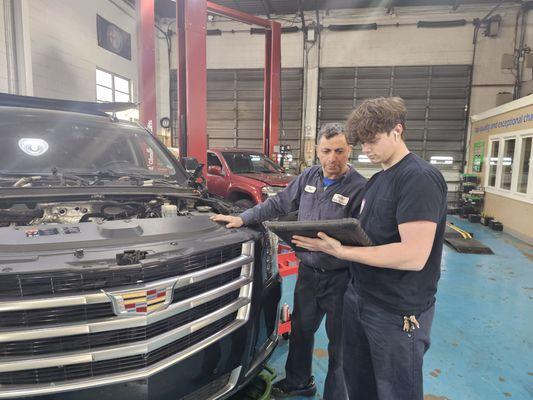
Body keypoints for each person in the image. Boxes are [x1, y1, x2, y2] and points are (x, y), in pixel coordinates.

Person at [292, 97, 447, 400]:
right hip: (360, 299)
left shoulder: (418, 178)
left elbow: (414, 256)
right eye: (361, 143)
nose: (365, 150)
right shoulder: (377, 180)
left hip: (395, 311)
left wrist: (341, 251)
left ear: (397, 131)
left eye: (372, 141)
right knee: (359, 382)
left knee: (394, 390)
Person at [211, 123, 366, 400]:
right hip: (308, 273)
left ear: (349, 151)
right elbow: (279, 203)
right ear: (316, 151)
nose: (333, 158)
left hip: (342, 279)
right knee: (301, 330)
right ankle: (299, 383)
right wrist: (243, 218)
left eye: (339, 151)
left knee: (340, 345)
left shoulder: (360, 188)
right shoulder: (309, 177)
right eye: (326, 151)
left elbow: (364, 237)